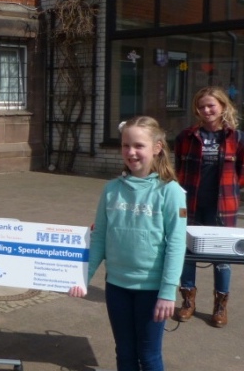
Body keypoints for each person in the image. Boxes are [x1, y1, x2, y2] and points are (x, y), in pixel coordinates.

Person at [69, 116, 186, 371]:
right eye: (125, 145)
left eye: (138, 146)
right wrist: (83, 277)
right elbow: (99, 237)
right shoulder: (111, 189)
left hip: (151, 290)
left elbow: (176, 245)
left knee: (149, 355)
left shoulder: (170, 191)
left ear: (156, 147)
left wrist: (168, 292)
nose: (131, 152)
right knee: (124, 352)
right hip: (117, 286)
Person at [173, 86, 244, 328]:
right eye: (201, 106)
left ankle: (220, 305)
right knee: (187, 254)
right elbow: (178, 169)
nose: (206, 110)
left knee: (222, 258)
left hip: (223, 207)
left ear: (222, 106)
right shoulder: (186, 137)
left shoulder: (237, 138)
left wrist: (230, 191)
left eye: (211, 105)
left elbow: (241, 174)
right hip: (190, 204)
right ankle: (187, 301)